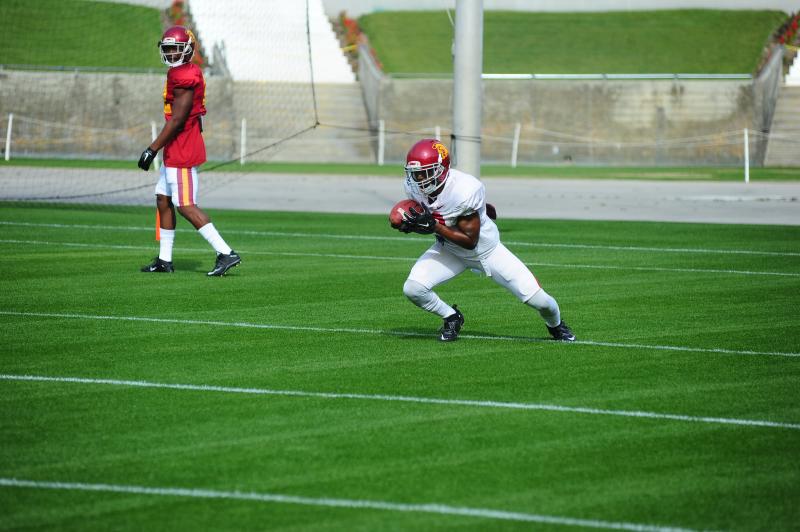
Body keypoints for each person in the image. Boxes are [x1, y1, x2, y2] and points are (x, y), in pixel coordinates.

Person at [395, 138, 575, 342]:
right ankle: (452, 317)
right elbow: (431, 222)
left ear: (441, 169)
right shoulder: (413, 188)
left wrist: (434, 225)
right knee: (413, 288)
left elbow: (470, 240)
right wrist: (411, 225)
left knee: (542, 302)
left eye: (424, 172)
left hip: (486, 251)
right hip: (450, 250)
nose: (418, 178)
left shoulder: (464, 190)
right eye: (414, 173)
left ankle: (557, 325)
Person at [137, 25, 241, 276]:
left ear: (188, 49)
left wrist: (152, 148)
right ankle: (165, 259)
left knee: (185, 205)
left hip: (182, 146)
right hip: (177, 144)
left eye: (176, 48)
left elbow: (177, 119)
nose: (171, 53)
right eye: (168, 48)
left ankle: (225, 253)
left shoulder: (184, 76)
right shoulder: (182, 71)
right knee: (163, 198)